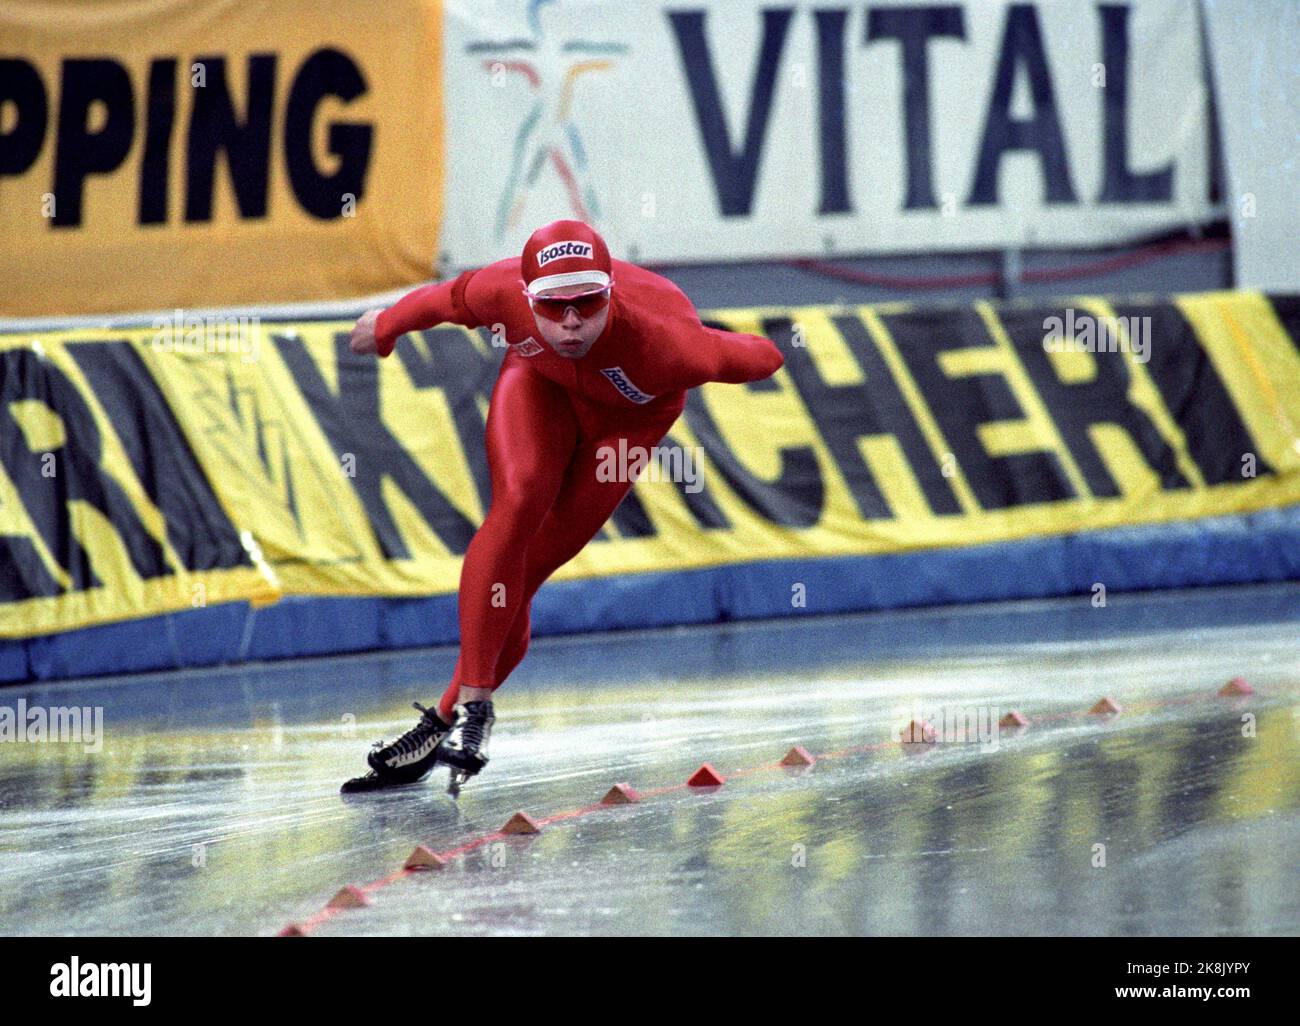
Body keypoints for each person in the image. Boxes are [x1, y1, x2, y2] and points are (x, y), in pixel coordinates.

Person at [342, 219, 783, 794]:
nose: (571, 322)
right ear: (526, 297)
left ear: (611, 292)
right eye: (553, 306)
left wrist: (750, 342)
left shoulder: (669, 344)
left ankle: (443, 721)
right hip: (542, 384)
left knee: (526, 573)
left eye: (587, 303)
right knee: (520, 501)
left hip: (625, 427)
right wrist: (384, 326)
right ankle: (476, 708)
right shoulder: (499, 291)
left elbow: (763, 357)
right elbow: (443, 300)